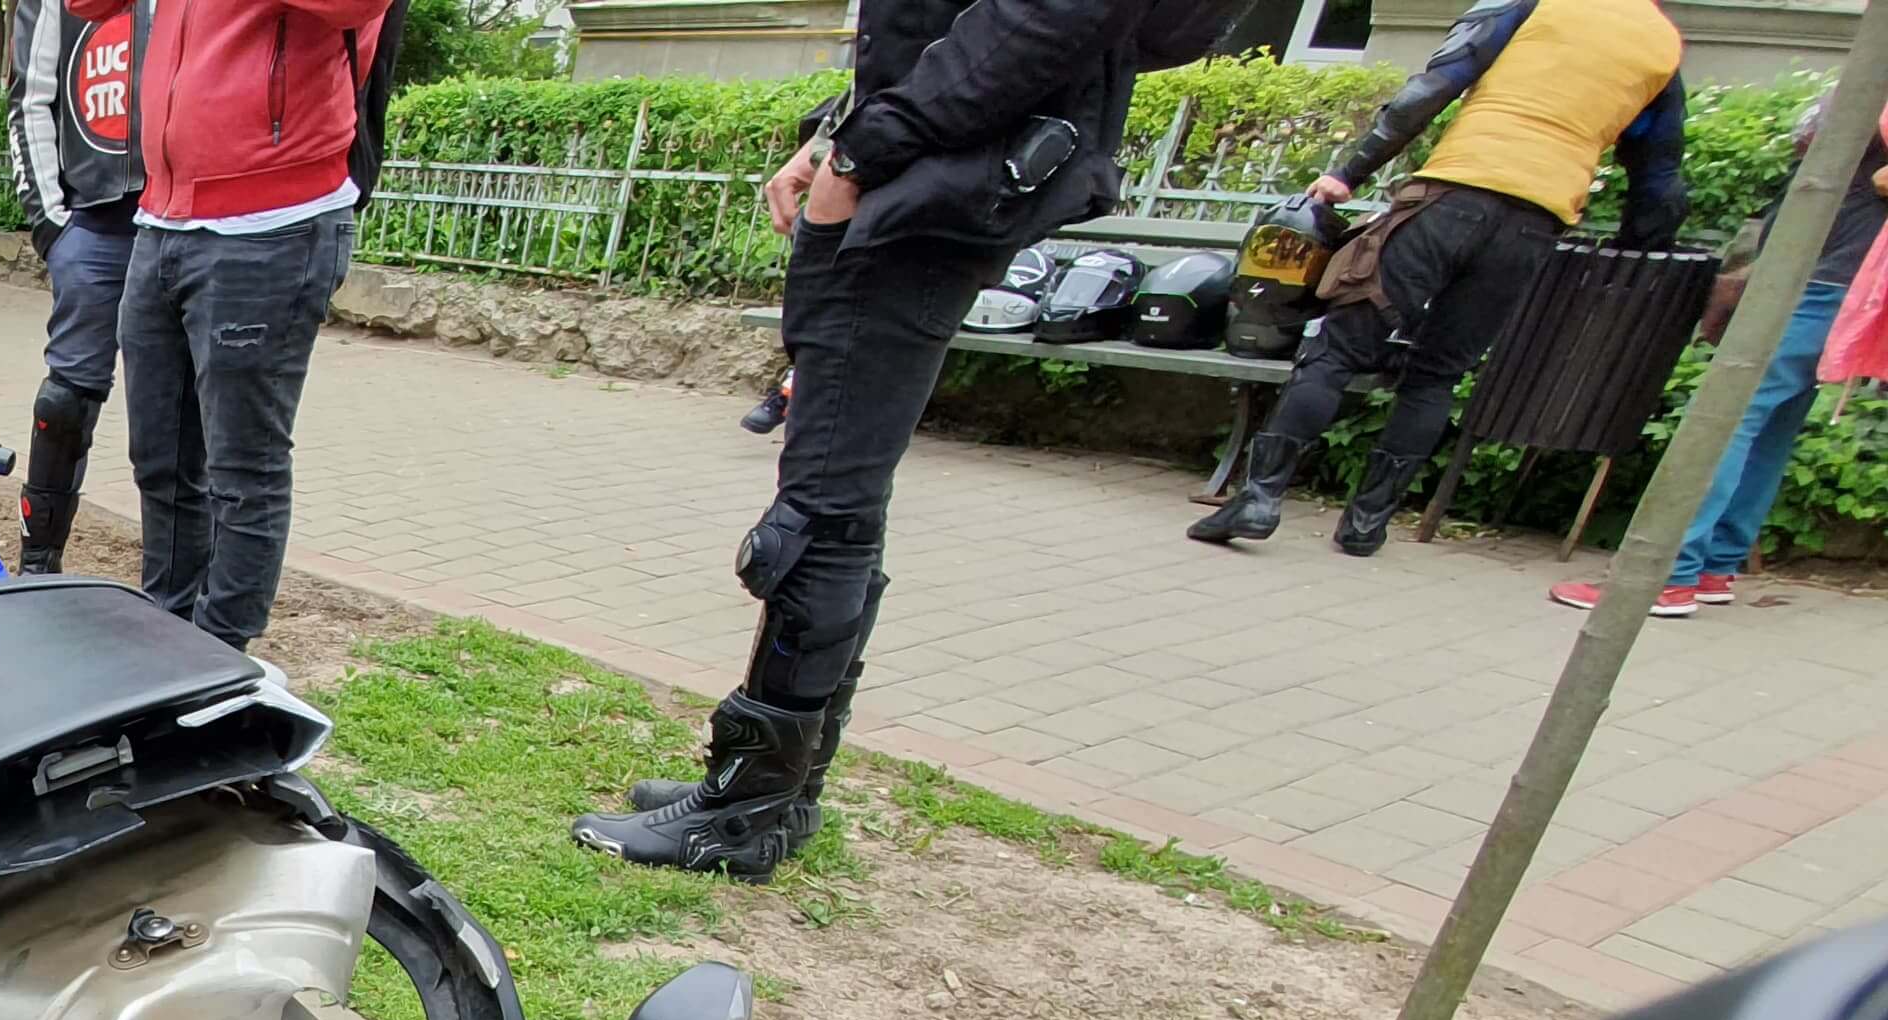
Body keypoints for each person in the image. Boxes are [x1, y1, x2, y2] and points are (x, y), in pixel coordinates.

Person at [574, 0, 1149, 877]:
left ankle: (744, 814)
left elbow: (1042, 18)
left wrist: (863, 151)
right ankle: (781, 790)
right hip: (926, 179)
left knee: (817, 518)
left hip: (921, 194)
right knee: (839, 507)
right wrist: (838, 136)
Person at [1190, 0, 1686, 556]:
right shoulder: (1661, 46)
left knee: (1338, 350)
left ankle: (1259, 498)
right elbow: (1658, 170)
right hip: (1532, 228)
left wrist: (1348, 174)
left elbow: (1430, 91)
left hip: (1448, 200)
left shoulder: (1529, 6)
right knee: (1436, 376)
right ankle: (1366, 526)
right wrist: (1642, 245)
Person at [100, 0, 396, 648]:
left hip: (274, 221)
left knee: (243, 471)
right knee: (161, 460)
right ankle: (167, 643)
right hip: (163, 216)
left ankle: (217, 667)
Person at [1553, 99, 1880, 617]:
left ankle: (1665, 575)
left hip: (1818, 282)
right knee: (1770, 427)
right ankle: (1713, 565)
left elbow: (1814, 135)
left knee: (1724, 419)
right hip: (1843, 285)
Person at [3, 0, 147, 573]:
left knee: (180, 414)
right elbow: (29, 100)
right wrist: (51, 226)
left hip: (185, 217)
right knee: (64, 403)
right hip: (93, 225)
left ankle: (178, 593)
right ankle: (37, 564)